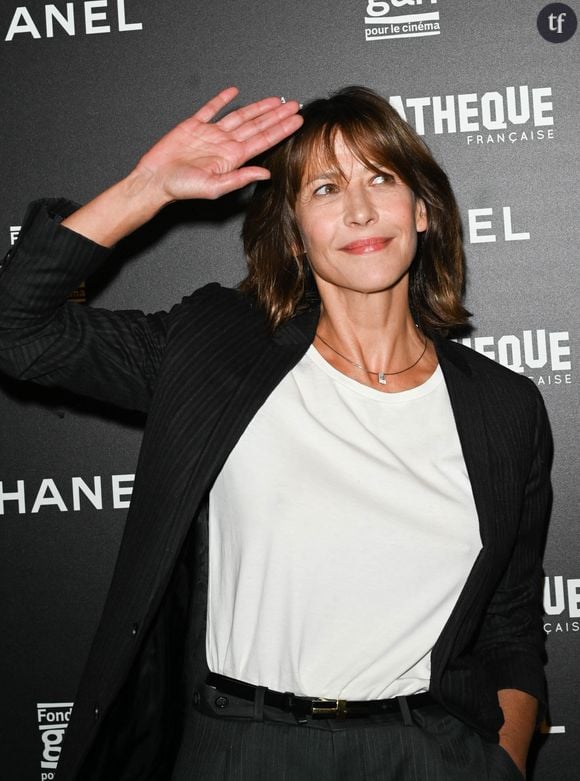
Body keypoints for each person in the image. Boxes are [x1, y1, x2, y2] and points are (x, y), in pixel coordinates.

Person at [0, 86, 551, 781]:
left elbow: (508, 623)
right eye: (325, 187)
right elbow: (18, 333)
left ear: (422, 209)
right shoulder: (219, 349)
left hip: (430, 750)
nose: (358, 209)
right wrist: (148, 187)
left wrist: (504, 762)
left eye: (380, 177)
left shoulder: (505, 406)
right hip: (245, 748)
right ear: (293, 233)